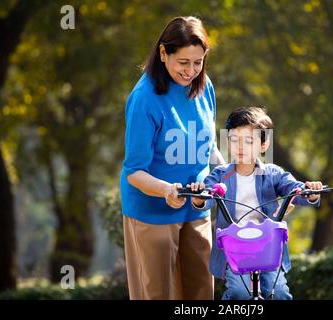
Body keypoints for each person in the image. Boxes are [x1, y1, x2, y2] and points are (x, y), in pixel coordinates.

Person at [120, 16, 224, 300]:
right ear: (163, 53)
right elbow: (134, 171)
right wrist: (167, 190)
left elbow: (209, 145)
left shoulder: (205, 87)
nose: (191, 71)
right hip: (153, 211)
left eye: (198, 62)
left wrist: (229, 172)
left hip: (197, 206)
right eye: (183, 62)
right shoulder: (144, 98)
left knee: (202, 293)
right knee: (159, 294)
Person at [187, 106, 323, 300]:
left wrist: (310, 192)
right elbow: (206, 196)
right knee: (239, 293)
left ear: (263, 145)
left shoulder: (273, 173)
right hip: (235, 249)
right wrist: (200, 197)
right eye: (234, 140)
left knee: (279, 293)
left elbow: (294, 189)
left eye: (249, 141)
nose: (240, 147)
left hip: (268, 246)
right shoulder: (220, 174)